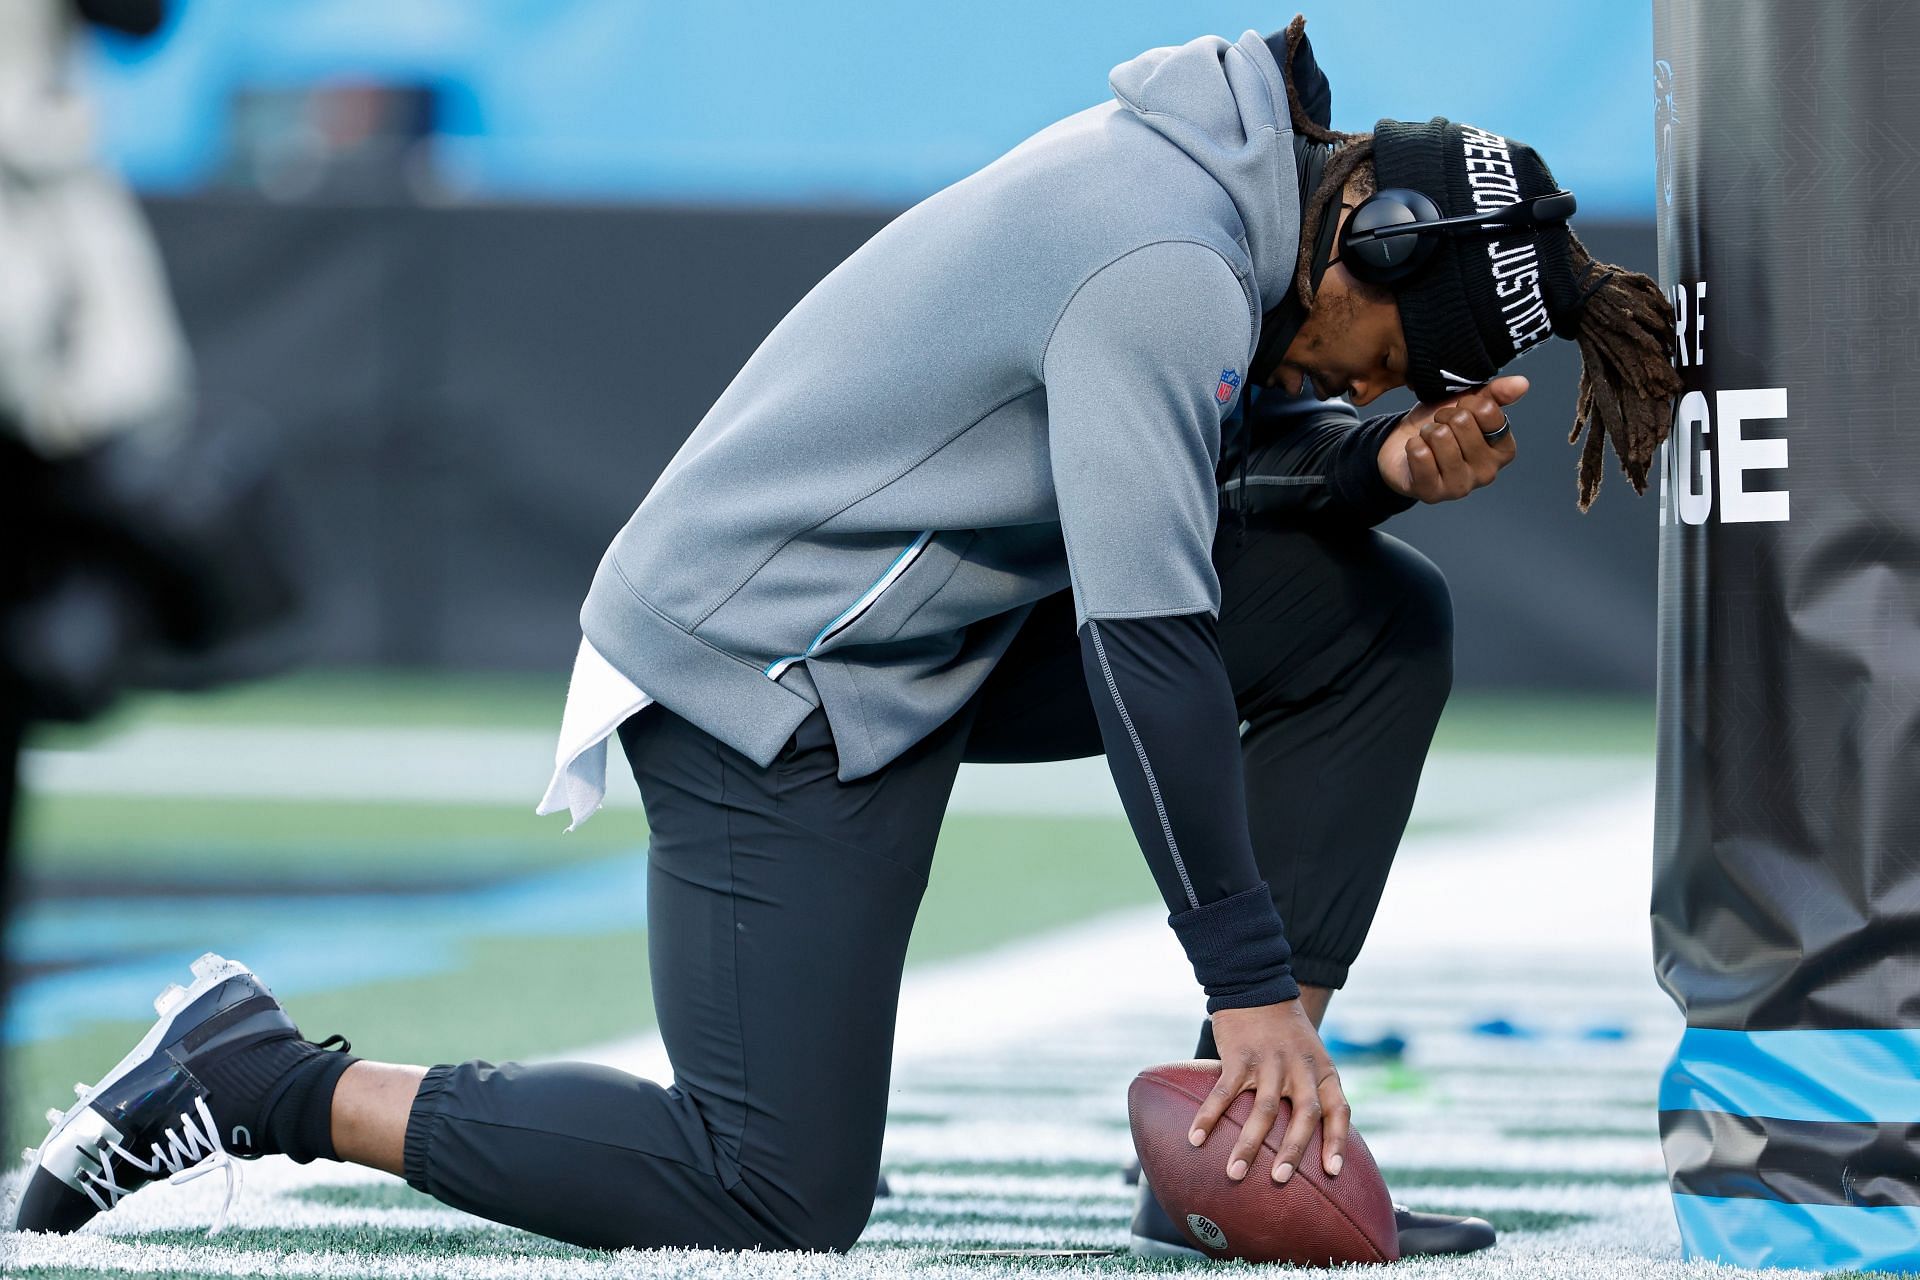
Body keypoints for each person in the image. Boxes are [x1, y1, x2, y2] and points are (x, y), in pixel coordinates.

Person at [14, 16, 1679, 1256]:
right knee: (768, 1189)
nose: (1389, 384)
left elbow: (1188, 479)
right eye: (1401, 353)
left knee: (1378, 627)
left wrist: (1370, 470)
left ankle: (1245, 1151)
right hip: (767, 679)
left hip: (919, 635)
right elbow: (1149, 641)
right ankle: (264, 1080)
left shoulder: (1222, 211)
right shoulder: (1166, 258)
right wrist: (1248, 987)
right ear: (1362, 245)